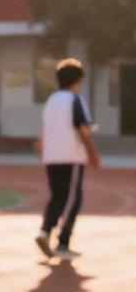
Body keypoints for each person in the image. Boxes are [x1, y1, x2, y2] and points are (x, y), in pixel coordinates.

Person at [35, 58, 98, 262]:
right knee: (73, 199)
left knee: (58, 197)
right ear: (79, 78)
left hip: (52, 156)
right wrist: (92, 153)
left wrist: (42, 147)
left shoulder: (51, 100)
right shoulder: (75, 100)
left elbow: (43, 130)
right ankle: (63, 242)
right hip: (71, 157)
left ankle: (45, 232)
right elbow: (83, 130)